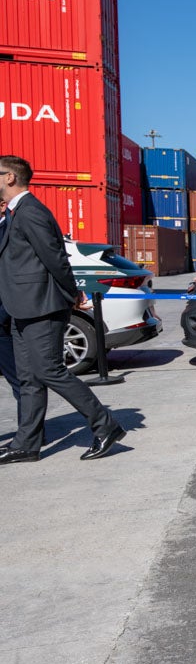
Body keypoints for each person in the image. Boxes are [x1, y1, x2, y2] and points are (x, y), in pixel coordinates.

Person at [0, 156, 125, 462]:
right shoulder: (14, 214)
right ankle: (26, 445)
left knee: (50, 371)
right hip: (22, 307)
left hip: (41, 306)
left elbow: (55, 257)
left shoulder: (30, 212)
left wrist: (71, 293)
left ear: (10, 178)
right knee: (28, 378)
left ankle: (105, 425)